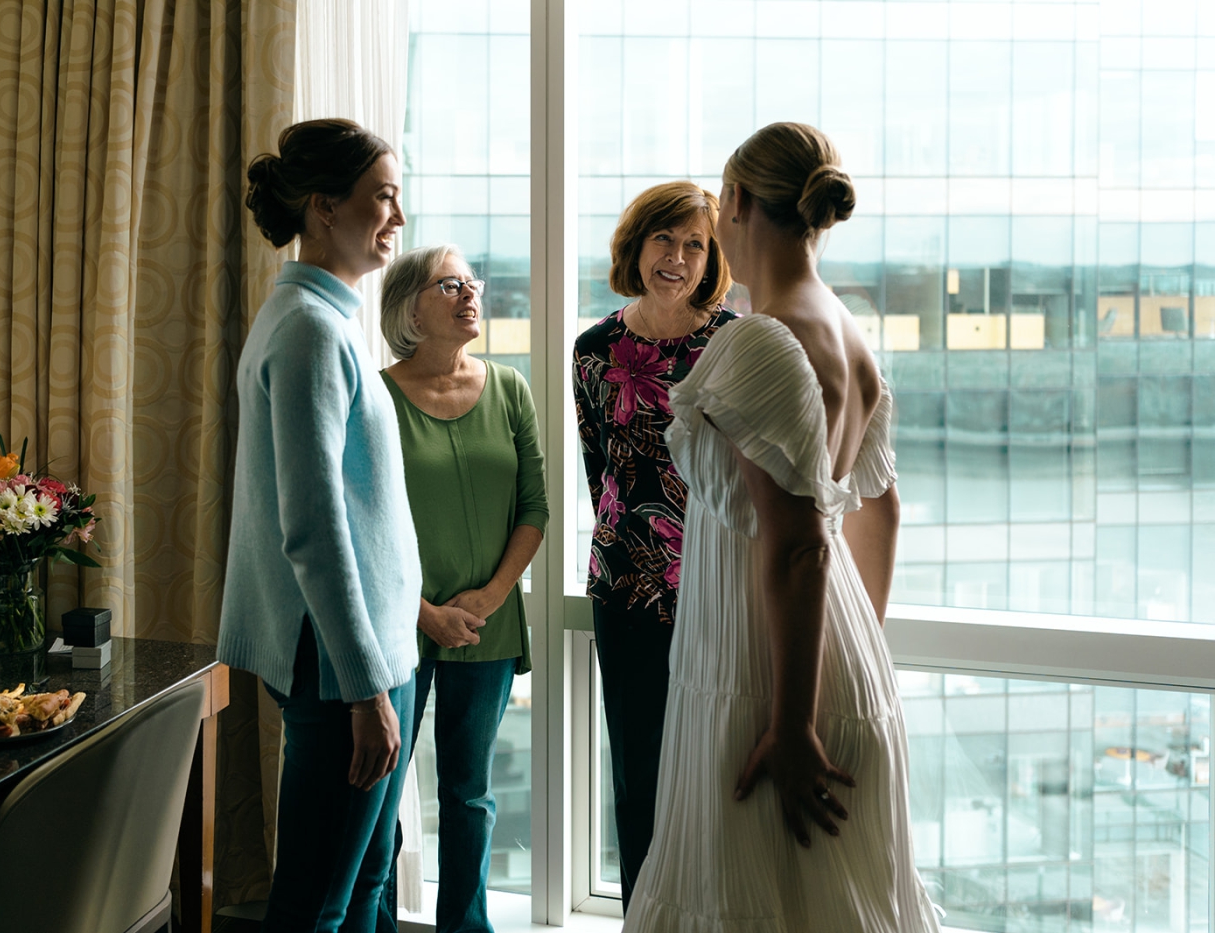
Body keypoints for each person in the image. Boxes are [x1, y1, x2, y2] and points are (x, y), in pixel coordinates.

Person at [623, 123, 938, 932]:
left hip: (764, 679)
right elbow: (881, 512)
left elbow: (798, 543)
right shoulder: (845, 330)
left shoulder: (764, 339)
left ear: (733, 202)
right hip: (830, 660)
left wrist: (794, 717)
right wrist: (843, 659)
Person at [217, 118, 420, 933]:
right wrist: (364, 686)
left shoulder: (321, 319)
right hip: (343, 664)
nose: (396, 218)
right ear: (323, 207)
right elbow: (311, 523)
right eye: (382, 198)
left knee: (367, 879)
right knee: (316, 905)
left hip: (365, 652)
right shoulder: (306, 330)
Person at [571, 180, 736, 906]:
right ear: (635, 245)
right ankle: (643, 917)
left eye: (694, 243)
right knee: (638, 773)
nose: (677, 256)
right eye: (663, 239)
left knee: (713, 772)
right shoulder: (594, 348)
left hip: (716, 585)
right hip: (623, 586)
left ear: (713, 256)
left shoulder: (733, 343)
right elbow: (597, 468)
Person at [376, 245, 548, 933]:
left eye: (472, 281)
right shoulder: (377, 396)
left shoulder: (509, 388)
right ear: (410, 307)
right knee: (381, 792)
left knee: (469, 795)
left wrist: (491, 595)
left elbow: (535, 507)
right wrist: (424, 613)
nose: (469, 293)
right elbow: (361, 526)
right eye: (450, 284)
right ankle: (376, 921)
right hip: (398, 625)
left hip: (487, 626)